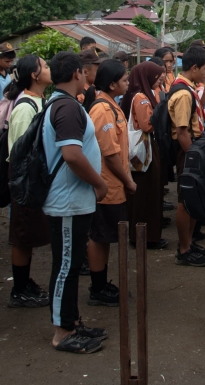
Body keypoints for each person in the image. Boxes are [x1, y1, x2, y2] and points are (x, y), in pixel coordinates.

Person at [43, 52, 110, 354]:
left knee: (69, 265)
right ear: (75, 75)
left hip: (75, 200)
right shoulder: (67, 108)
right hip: (68, 201)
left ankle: (71, 321)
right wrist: (99, 182)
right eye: (84, 72)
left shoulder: (65, 104)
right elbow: (71, 155)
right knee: (66, 266)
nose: (86, 76)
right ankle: (62, 331)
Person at [85, 59, 135, 307]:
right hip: (107, 184)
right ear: (113, 83)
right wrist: (128, 180)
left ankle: (102, 282)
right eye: (125, 79)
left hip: (114, 184)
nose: (128, 83)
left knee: (105, 235)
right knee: (99, 235)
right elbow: (110, 154)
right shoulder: (103, 110)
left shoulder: (111, 106)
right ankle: (97, 287)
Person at [4, 55, 52, 308]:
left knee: (30, 234)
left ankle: (25, 281)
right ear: (34, 76)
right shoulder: (25, 108)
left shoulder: (39, 101)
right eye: (44, 67)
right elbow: (22, 152)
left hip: (34, 179)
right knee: (22, 235)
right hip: (25, 181)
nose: (48, 69)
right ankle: (19, 288)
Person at [168, 45, 205, 266]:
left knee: (193, 197)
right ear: (194, 67)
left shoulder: (189, 87)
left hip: (192, 147)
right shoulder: (183, 93)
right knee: (185, 200)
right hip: (188, 149)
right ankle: (184, 248)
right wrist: (194, 157)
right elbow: (182, 131)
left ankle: (190, 242)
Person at [123, 61, 166, 249]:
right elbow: (147, 125)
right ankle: (145, 236)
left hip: (144, 149)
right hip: (145, 149)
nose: (159, 80)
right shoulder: (141, 98)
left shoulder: (138, 95)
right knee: (147, 194)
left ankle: (143, 234)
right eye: (156, 77)